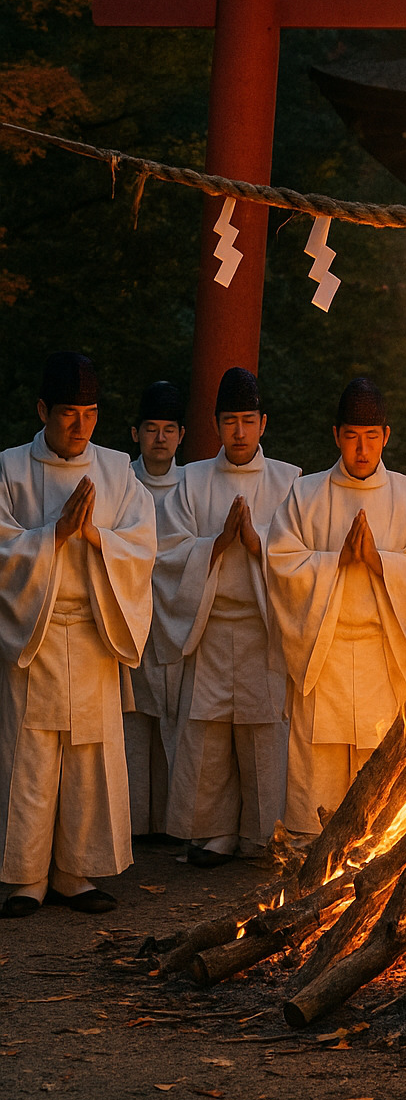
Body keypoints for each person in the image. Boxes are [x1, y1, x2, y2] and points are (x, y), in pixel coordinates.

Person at [0, 352, 156, 917]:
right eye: (68, 413)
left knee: (89, 756)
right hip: (34, 634)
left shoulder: (117, 471)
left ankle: (74, 872)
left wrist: (95, 538)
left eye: (90, 414)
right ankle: (25, 877)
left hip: (92, 630)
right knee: (31, 756)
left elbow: (141, 545)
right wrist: (53, 535)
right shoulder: (10, 469)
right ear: (43, 410)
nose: (80, 426)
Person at [267, 378, 406, 837]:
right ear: (336, 435)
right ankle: (309, 862)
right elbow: (281, 562)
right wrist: (338, 562)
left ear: (386, 436)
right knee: (317, 775)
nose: (362, 449)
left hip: (381, 658)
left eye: (371, 437)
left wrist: (380, 561)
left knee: (378, 774)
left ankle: (373, 863)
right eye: (351, 436)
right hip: (322, 656)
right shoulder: (305, 495)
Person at [153, 368, 299, 866]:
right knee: (207, 731)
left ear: (264, 424)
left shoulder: (290, 481)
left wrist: (258, 544)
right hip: (210, 624)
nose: (239, 431)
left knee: (263, 731)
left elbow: (299, 556)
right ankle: (211, 831)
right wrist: (214, 546)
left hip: (262, 628)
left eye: (248, 421)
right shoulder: (191, 480)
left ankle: (262, 833)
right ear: (216, 424)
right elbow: (167, 552)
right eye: (230, 421)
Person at [124, 380, 187, 838]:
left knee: (175, 716)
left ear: (182, 435)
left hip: (176, 614)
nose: (160, 438)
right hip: (128, 612)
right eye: (151, 428)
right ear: (135, 433)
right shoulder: (118, 482)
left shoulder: (192, 486)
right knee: (131, 718)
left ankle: (171, 822)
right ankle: (131, 822)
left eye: (168, 429)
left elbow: (190, 551)